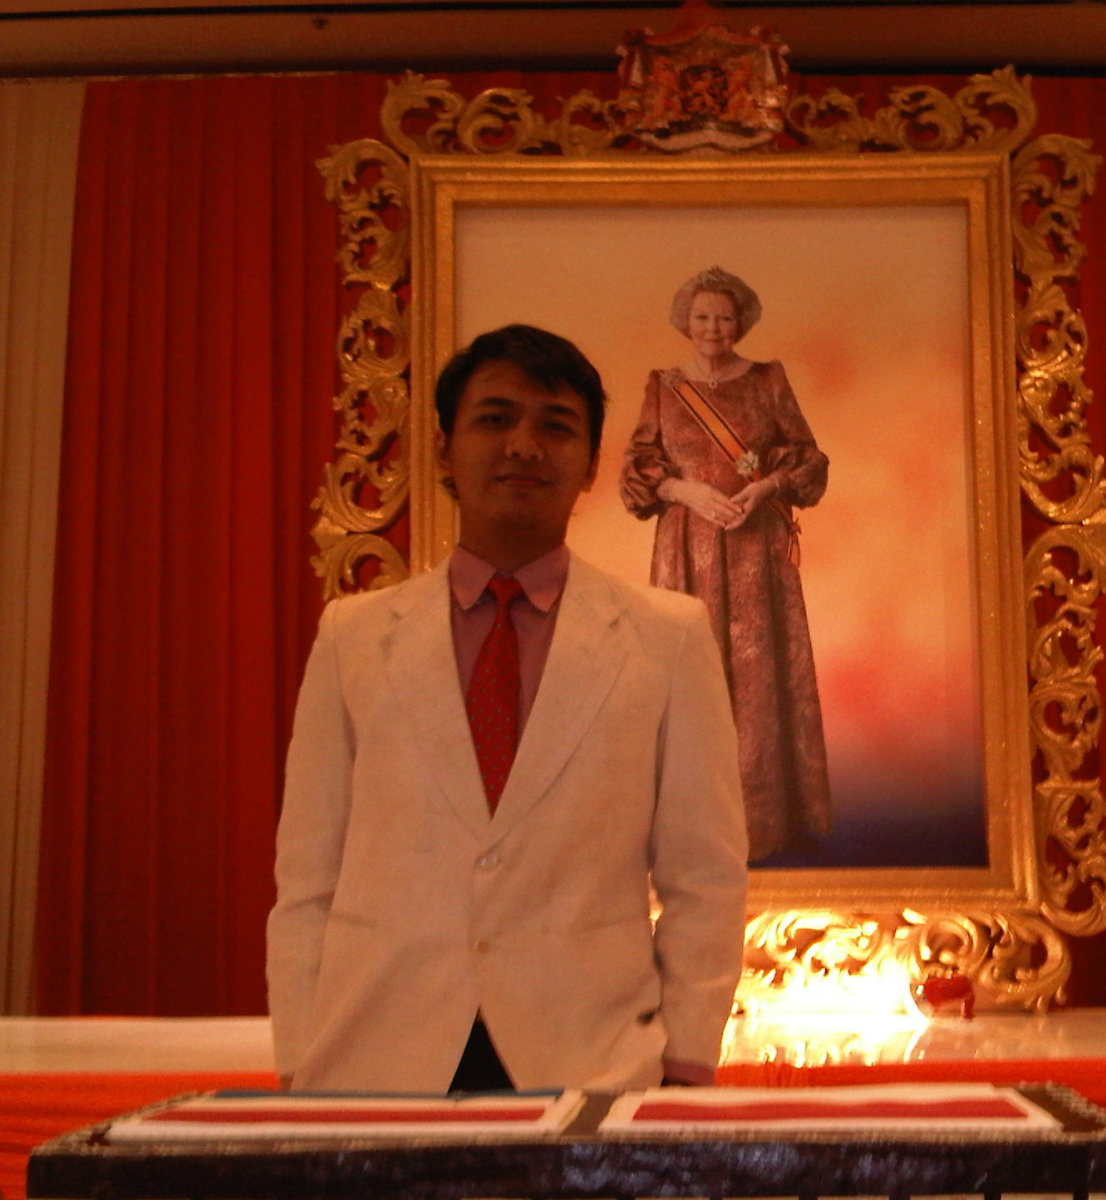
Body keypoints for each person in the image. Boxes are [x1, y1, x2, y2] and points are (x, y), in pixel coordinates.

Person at [267, 324, 748, 1094]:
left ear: (589, 465)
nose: (524, 445)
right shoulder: (353, 636)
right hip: (374, 1058)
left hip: (590, 1062)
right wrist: (300, 1057)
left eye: (556, 426)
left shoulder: (668, 637)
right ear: (442, 449)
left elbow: (705, 877)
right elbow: (308, 875)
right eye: (494, 419)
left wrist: (686, 1064)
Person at [620, 267, 830, 862]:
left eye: (725, 317)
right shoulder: (663, 386)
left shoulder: (768, 379)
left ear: (742, 322)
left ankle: (762, 826)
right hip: (685, 547)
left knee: (760, 675)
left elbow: (808, 458)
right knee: (689, 675)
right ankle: (686, 829)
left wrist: (765, 489)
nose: (713, 327)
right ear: (685, 322)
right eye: (702, 316)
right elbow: (637, 469)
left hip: (756, 550)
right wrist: (685, 492)